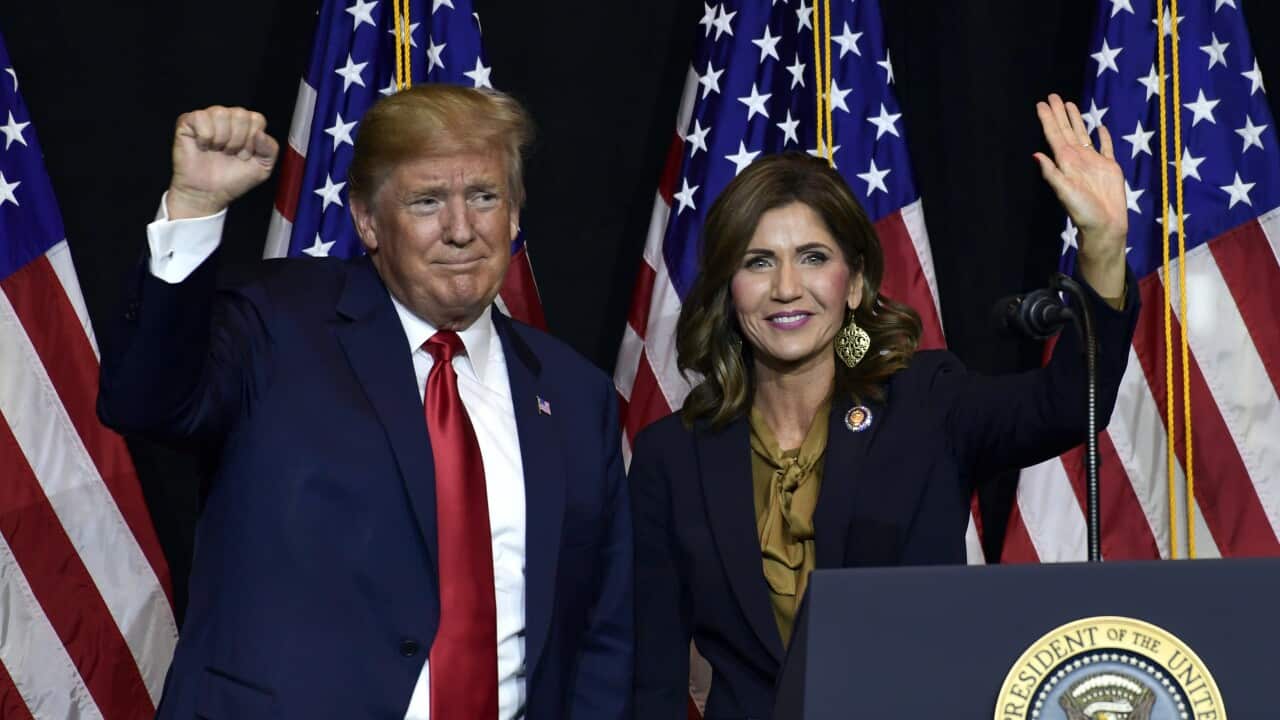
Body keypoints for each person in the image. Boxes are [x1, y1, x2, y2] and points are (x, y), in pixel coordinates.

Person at [97, 85, 632, 719]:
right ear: (367, 221)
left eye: (484, 197)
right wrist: (194, 208)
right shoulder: (277, 325)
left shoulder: (575, 395)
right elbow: (144, 401)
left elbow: (600, 631)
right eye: (427, 201)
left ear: (514, 215)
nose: (461, 230)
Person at [629, 94, 1138, 718]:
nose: (787, 287)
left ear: (857, 283)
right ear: (730, 291)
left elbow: (1065, 405)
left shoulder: (927, 404)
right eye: (758, 262)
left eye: (813, 258)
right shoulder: (670, 456)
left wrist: (1104, 247)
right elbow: (650, 677)